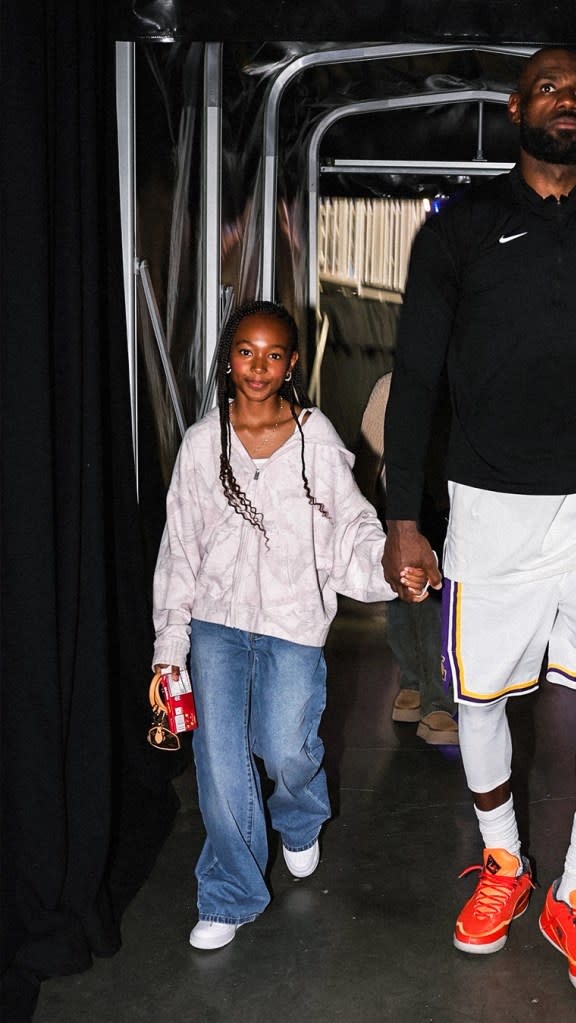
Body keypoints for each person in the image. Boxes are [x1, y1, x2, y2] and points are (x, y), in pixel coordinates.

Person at [382, 48, 576, 1009]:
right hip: (488, 507)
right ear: (515, 108)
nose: (568, 101)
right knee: (479, 704)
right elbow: (416, 377)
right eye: (550, 88)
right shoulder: (460, 226)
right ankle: (506, 864)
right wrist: (404, 518)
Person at [152, 300, 425, 951]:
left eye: (273, 355)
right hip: (215, 625)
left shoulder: (315, 437)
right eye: (246, 352)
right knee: (220, 762)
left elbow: (351, 525)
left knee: (286, 750)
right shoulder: (202, 444)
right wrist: (170, 646)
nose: (258, 366)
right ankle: (230, 893)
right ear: (229, 358)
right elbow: (179, 550)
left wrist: (390, 570)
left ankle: (299, 817)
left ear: (292, 363)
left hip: (293, 624)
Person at [357, 372, 458, 745]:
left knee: (433, 606)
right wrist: (362, 518)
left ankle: (427, 694)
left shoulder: (466, 379)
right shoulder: (391, 386)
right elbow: (369, 453)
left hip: (452, 510)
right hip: (401, 513)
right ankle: (422, 690)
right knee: (408, 602)